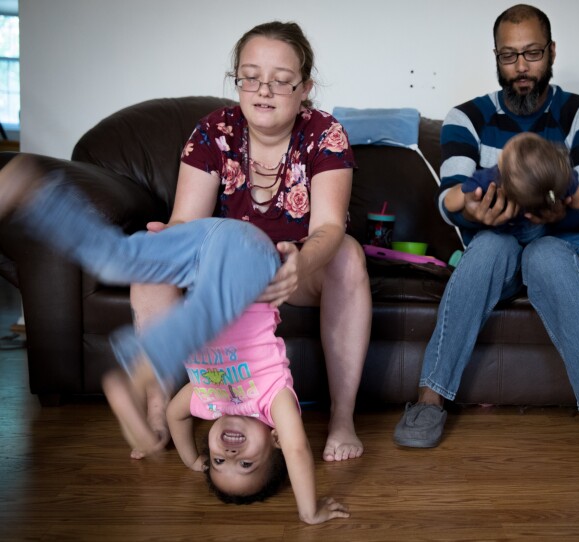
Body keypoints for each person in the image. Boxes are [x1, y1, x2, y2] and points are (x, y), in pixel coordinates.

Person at [393, 4, 579, 466]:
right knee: (487, 249)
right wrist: (475, 208)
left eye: (532, 54)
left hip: (556, 245)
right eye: (509, 56)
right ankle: (429, 400)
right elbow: (447, 201)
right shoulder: (466, 118)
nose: (522, 68)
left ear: (552, 52)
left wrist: (559, 209)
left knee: (546, 255)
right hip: (495, 244)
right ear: (495, 57)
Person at [0, 155, 350, 523]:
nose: (229, 456)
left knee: (117, 260)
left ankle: (36, 194)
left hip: (200, 243)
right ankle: (135, 376)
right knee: (204, 316)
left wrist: (191, 459)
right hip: (252, 255)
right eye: (245, 464)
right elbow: (297, 448)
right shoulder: (272, 400)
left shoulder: (208, 402)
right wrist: (309, 511)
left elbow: (175, 415)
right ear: (274, 440)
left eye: (218, 461)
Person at [130, 21, 369, 462]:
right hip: (222, 278)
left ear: (304, 89)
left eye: (280, 81)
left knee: (349, 255)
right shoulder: (212, 131)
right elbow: (187, 220)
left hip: (292, 272)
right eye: (250, 77)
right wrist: (169, 237)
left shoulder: (325, 132)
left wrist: (302, 260)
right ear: (236, 81)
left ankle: (342, 420)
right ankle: (159, 414)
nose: (264, 90)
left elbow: (331, 227)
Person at [443, 131, 579, 291]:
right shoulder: (557, 177)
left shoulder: (491, 177)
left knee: (487, 239)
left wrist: (464, 193)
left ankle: (471, 262)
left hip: (508, 235)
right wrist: (564, 187)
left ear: (501, 165)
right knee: (567, 234)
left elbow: (450, 204)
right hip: (547, 233)